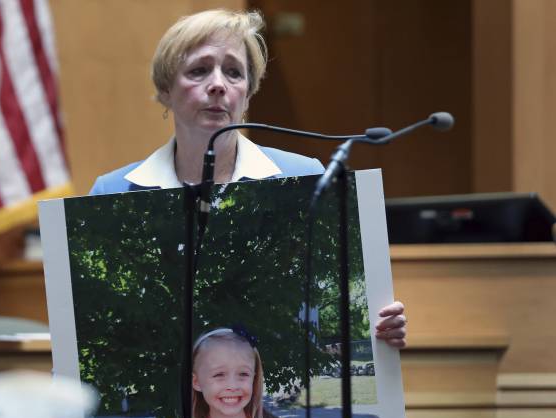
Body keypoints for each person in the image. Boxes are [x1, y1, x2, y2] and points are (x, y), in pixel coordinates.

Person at [88, 9, 407, 348]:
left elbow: (343, 302)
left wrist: (380, 330)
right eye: (198, 70)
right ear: (165, 90)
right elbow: (91, 332)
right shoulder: (113, 193)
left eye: (234, 73)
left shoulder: (307, 180)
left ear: (248, 94)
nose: (217, 85)